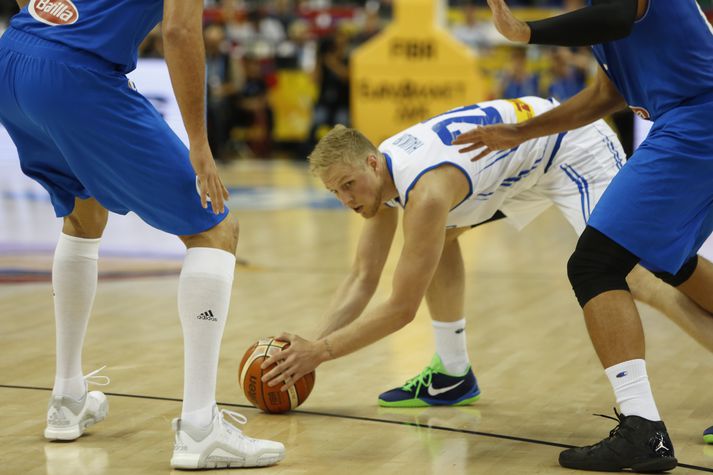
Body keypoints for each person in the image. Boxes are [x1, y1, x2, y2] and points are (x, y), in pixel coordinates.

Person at [258, 98, 713, 464]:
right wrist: (308, 349)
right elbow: (362, 277)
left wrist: (322, 352)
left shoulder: (426, 191)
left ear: (373, 164)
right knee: (436, 242)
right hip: (519, 163)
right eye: (335, 192)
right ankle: (453, 374)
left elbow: (400, 309)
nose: (344, 199)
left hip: (569, 148)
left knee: (637, 275)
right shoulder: (383, 183)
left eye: (347, 186)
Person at [0, 0, 284, 470]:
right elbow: (179, 32)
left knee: (83, 216)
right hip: (76, 73)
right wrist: (200, 144)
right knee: (215, 228)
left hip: (14, 58)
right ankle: (199, 429)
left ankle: (67, 398)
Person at [451, 0, 713, 471]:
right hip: (695, 125)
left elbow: (613, 19)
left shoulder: (610, 13)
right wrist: (521, 133)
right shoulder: (604, 19)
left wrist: (524, 31)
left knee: (595, 264)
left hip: (698, 123)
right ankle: (642, 428)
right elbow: (601, 98)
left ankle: (642, 428)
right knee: (674, 263)